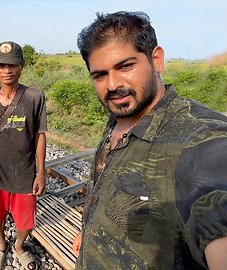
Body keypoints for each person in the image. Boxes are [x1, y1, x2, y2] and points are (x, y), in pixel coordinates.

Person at [72, 11, 227, 269]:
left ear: (156, 59)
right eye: (99, 75)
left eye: (125, 66)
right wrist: (88, 231)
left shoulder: (201, 140)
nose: (112, 84)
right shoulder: (122, 116)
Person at [0, 41, 47, 270]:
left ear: (22, 66)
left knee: (25, 217)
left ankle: (18, 245)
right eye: (1, 65)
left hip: (25, 171)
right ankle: (1, 241)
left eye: (13, 64)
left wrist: (41, 173)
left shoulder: (34, 97)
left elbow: (40, 135)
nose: (7, 70)